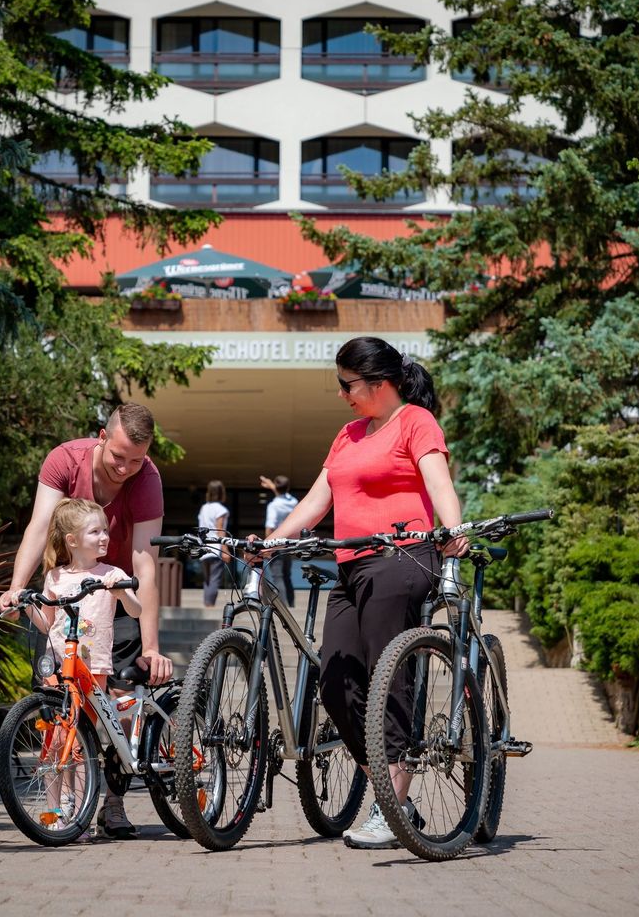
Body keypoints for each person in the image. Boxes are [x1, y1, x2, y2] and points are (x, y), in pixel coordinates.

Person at [261, 336, 470, 850]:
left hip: (403, 559)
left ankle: (393, 803)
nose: (342, 395)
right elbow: (317, 499)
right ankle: (387, 784)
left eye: (347, 385)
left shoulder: (416, 421)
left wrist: (453, 528)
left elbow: (438, 480)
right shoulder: (348, 434)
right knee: (333, 680)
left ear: (378, 383)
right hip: (351, 565)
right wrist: (267, 544)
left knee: (387, 674)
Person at [0, 403, 171, 840]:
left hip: (117, 589)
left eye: (137, 459)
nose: (127, 468)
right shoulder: (64, 460)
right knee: (63, 709)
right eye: (119, 457)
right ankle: (66, 805)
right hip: (71, 593)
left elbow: (145, 560)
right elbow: (39, 527)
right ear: (101, 436)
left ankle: (113, 804)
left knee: (113, 706)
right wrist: (18, 587)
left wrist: (151, 645)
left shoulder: (146, 478)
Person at [24, 499, 142, 841]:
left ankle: (79, 814)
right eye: (95, 531)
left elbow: (134, 611)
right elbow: (47, 625)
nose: (104, 536)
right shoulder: (55, 577)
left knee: (82, 742)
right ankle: (55, 811)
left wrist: (121, 590)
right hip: (58, 667)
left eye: (105, 530)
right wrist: (25, 604)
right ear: (72, 540)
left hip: (93, 668)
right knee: (55, 740)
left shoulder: (110, 574)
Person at [260, 474, 299, 606]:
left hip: (276, 544)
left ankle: (283, 605)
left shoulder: (274, 505)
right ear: (288, 487)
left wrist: (267, 546)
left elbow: (270, 527)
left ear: (276, 487)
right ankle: (291, 603)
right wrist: (272, 486)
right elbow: (283, 494)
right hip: (289, 544)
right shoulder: (293, 501)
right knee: (287, 575)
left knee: (278, 576)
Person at [196, 479, 231, 608]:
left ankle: (207, 605)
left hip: (204, 548)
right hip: (216, 548)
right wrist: (225, 550)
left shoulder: (204, 508)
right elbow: (220, 529)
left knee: (207, 580)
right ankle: (210, 606)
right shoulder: (221, 509)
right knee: (215, 579)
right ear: (222, 492)